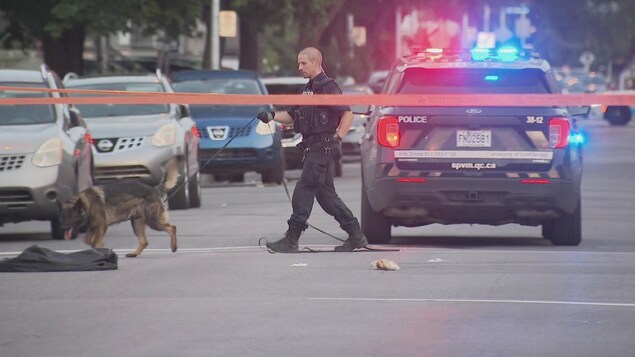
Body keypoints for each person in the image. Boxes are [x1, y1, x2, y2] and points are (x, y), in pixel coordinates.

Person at [257, 47, 368, 253]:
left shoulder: (329, 87)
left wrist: (338, 138)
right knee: (326, 197)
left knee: (304, 188)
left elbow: (347, 115)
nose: (299, 67)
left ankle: (292, 238)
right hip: (311, 146)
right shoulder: (307, 89)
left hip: (323, 146)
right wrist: (271, 116)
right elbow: (292, 116)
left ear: (316, 62)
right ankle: (356, 235)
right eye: (299, 63)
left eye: (303, 63)